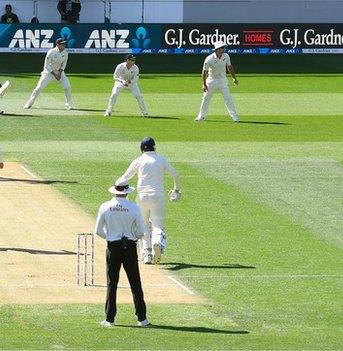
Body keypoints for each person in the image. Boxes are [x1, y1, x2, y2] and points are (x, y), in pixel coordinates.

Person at [94, 178, 150, 328]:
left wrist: (112, 238)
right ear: (126, 192)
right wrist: (131, 238)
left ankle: (109, 319)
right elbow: (141, 231)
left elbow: (98, 231)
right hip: (129, 247)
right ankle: (142, 319)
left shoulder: (105, 206)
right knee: (135, 283)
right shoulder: (133, 207)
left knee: (112, 284)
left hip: (113, 247)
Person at [119, 137, 180, 265]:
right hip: (158, 196)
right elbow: (175, 174)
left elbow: (124, 178)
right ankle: (157, 242)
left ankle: (146, 254)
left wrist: (118, 192)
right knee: (158, 225)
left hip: (142, 197)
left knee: (144, 224)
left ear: (141, 148)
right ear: (154, 147)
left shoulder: (138, 161)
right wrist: (176, 190)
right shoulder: (161, 159)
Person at [195, 41, 240, 122]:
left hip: (222, 80)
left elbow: (229, 67)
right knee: (205, 98)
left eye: (224, 47)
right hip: (211, 81)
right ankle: (201, 116)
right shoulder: (209, 58)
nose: (224, 49)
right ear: (217, 49)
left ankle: (234, 116)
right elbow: (204, 72)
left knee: (228, 98)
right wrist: (204, 84)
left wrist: (234, 78)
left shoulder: (226, 56)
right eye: (222, 47)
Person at [24, 38, 73, 110]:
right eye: (62, 44)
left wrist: (59, 73)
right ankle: (29, 104)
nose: (64, 45)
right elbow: (46, 65)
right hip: (48, 73)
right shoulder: (51, 52)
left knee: (67, 86)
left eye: (64, 44)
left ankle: (68, 104)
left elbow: (64, 64)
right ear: (58, 45)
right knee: (38, 88)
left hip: (59, 72)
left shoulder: (65, 53)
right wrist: (54, 74)